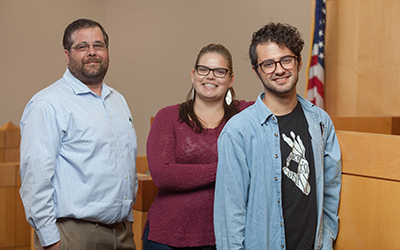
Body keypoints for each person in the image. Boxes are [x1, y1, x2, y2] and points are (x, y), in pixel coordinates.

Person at [214, 22, 342, 249]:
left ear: (299, 62)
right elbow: (229, 215)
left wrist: (326, 241)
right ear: (256, 71)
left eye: (286, 60)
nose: (279, 69)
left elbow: (330, 191)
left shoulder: (321, 122)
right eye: (268, 64)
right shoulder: (238, 132)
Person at [19, 18, 138, 250]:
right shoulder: (49, 103)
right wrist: (50, 240)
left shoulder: (118, 101)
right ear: (67, 55)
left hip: (122, 232)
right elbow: (35, 178)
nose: (92, 52)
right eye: (82, 47)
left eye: (99, 45)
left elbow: (125, 166)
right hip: (74, 235)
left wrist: (128, 219)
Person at [143, 44, 253, 250]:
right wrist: (226, 168)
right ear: (193, 75)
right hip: (168, 237)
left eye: (220, 72)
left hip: (224, 236)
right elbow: (162, 174)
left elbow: (278, 103)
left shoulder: (245, 115)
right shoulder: (167, 117)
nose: (210, 77)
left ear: (231, 79)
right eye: (204, 70)